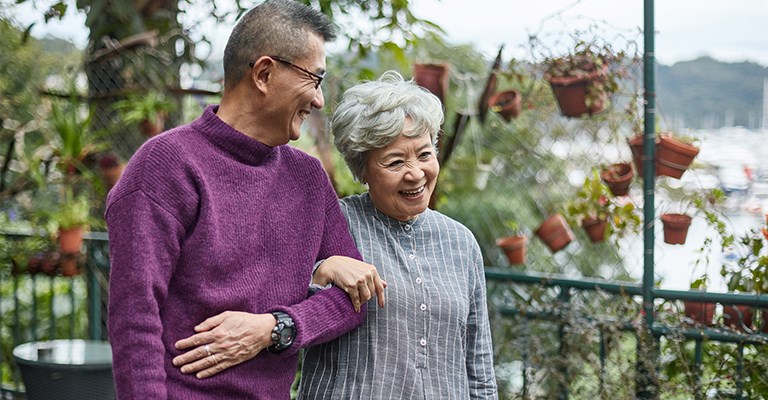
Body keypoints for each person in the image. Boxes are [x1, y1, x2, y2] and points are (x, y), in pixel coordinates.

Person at [104, 1, 384, 398]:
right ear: (265, 73)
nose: (319, 100)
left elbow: (353, 303)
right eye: (313, 79)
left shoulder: (308, 178)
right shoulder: (165, 165)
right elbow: (135, 320)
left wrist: (274, 328)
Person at [298, 70, 499, 399]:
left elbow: (478, 367)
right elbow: (275, 301)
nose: (416, 174)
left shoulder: (461, 243)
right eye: (395, 162)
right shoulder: (332, 223)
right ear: (362, 169)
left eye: (425, 154)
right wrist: (321, 271)